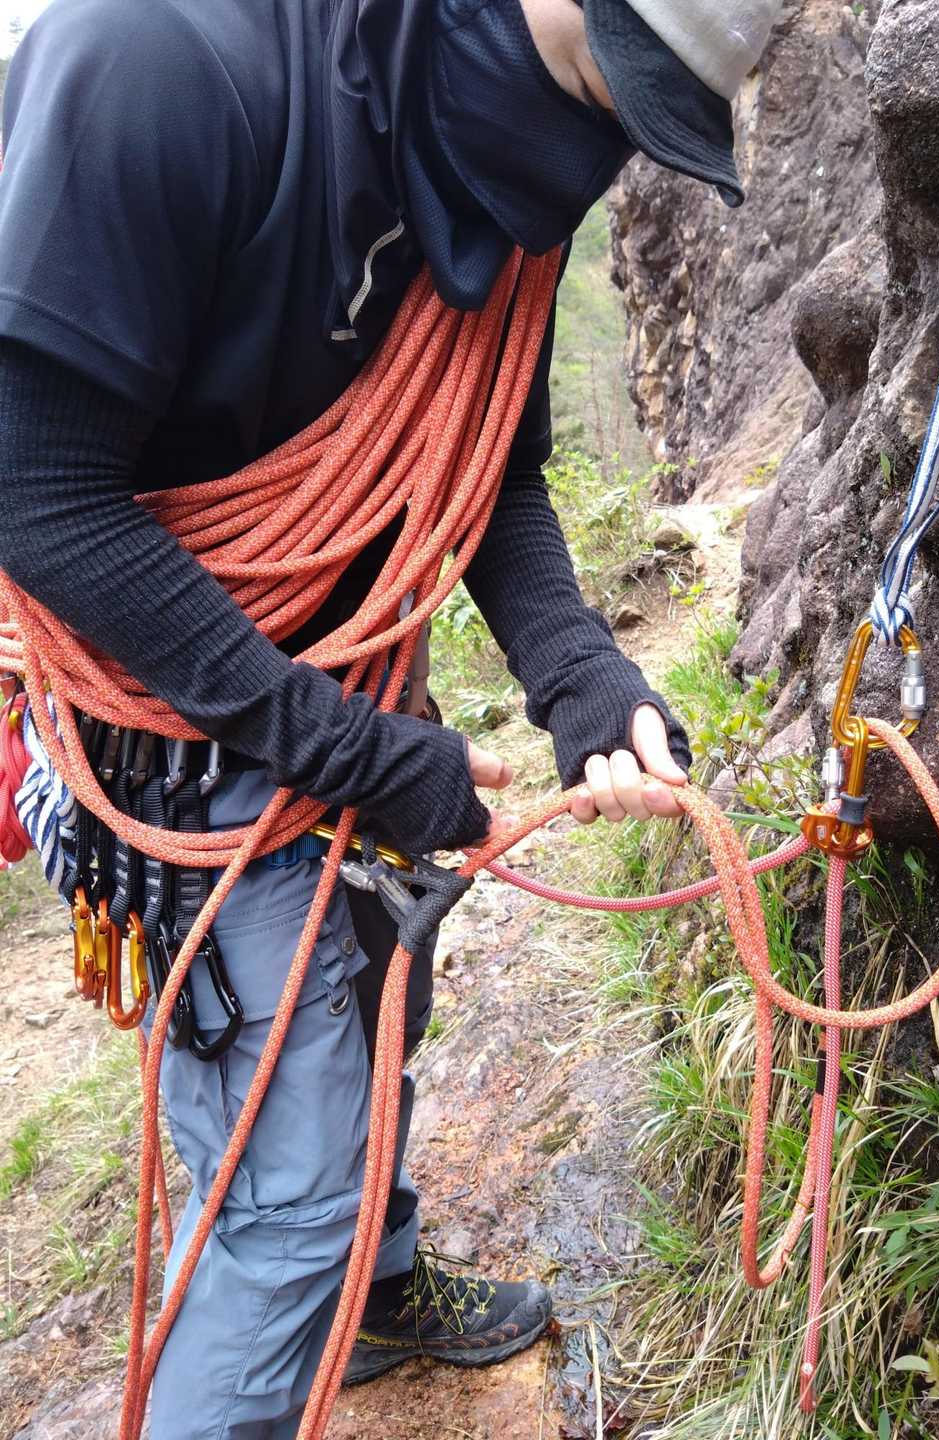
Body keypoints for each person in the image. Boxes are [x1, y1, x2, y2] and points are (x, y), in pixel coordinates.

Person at [0, 0, 780, 1434]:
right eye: (601, 85)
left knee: (380, 1002)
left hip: (359, 693)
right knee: (284, 1209)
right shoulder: (162, 63)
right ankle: (314, 1284)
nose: (591, 162)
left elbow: (488, 462)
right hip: (180, 741)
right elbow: (35, 493)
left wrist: (578, 673)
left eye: (637, 121)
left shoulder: (502, 168)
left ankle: (375, 1290)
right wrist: (347, 751)